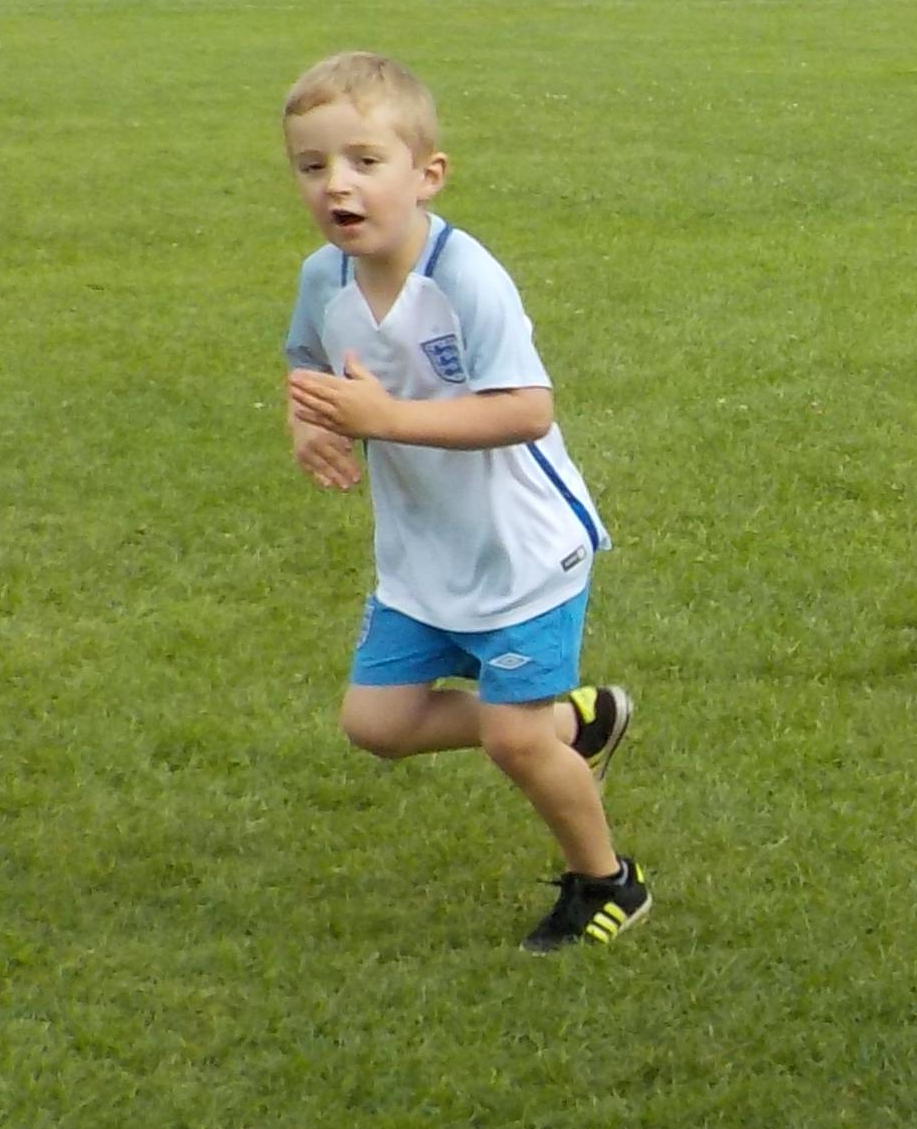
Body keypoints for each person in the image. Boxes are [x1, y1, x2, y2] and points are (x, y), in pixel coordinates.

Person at [277, 52, 647, 950]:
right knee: (377, 725)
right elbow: (306, 364)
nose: (337, 184)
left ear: (427, 174)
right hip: (423, 553)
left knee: (514, 744)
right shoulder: (323, 277)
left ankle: (608, 882)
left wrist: (386, 420)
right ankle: (574, 720)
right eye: (312, 165)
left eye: (365, 161)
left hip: (523, 550)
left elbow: (527, 411)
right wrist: (310, 425)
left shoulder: (465, 276)